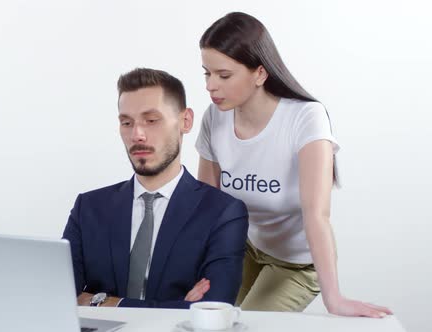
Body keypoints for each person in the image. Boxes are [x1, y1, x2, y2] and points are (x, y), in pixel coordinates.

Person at [195, 12, 392, 317]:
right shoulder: (214, 118)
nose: (211, 85)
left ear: (259, 74)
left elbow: (317, 216)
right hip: (244, 248)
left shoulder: (305, 118)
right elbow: (207, 207)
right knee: (207, 317)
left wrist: (334, 299)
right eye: (206, 73)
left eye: (224, 75)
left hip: (296, 263)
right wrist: (196, 273)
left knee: (249, 325)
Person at [62, 68, 249, 308]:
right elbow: (58, 296)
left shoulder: (223, 213)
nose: (137, 134)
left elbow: (213, 309)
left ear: (185, 121)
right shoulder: (88, 208)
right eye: (126, 122)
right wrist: (177, 306)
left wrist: (104, 302)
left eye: (151, 120)